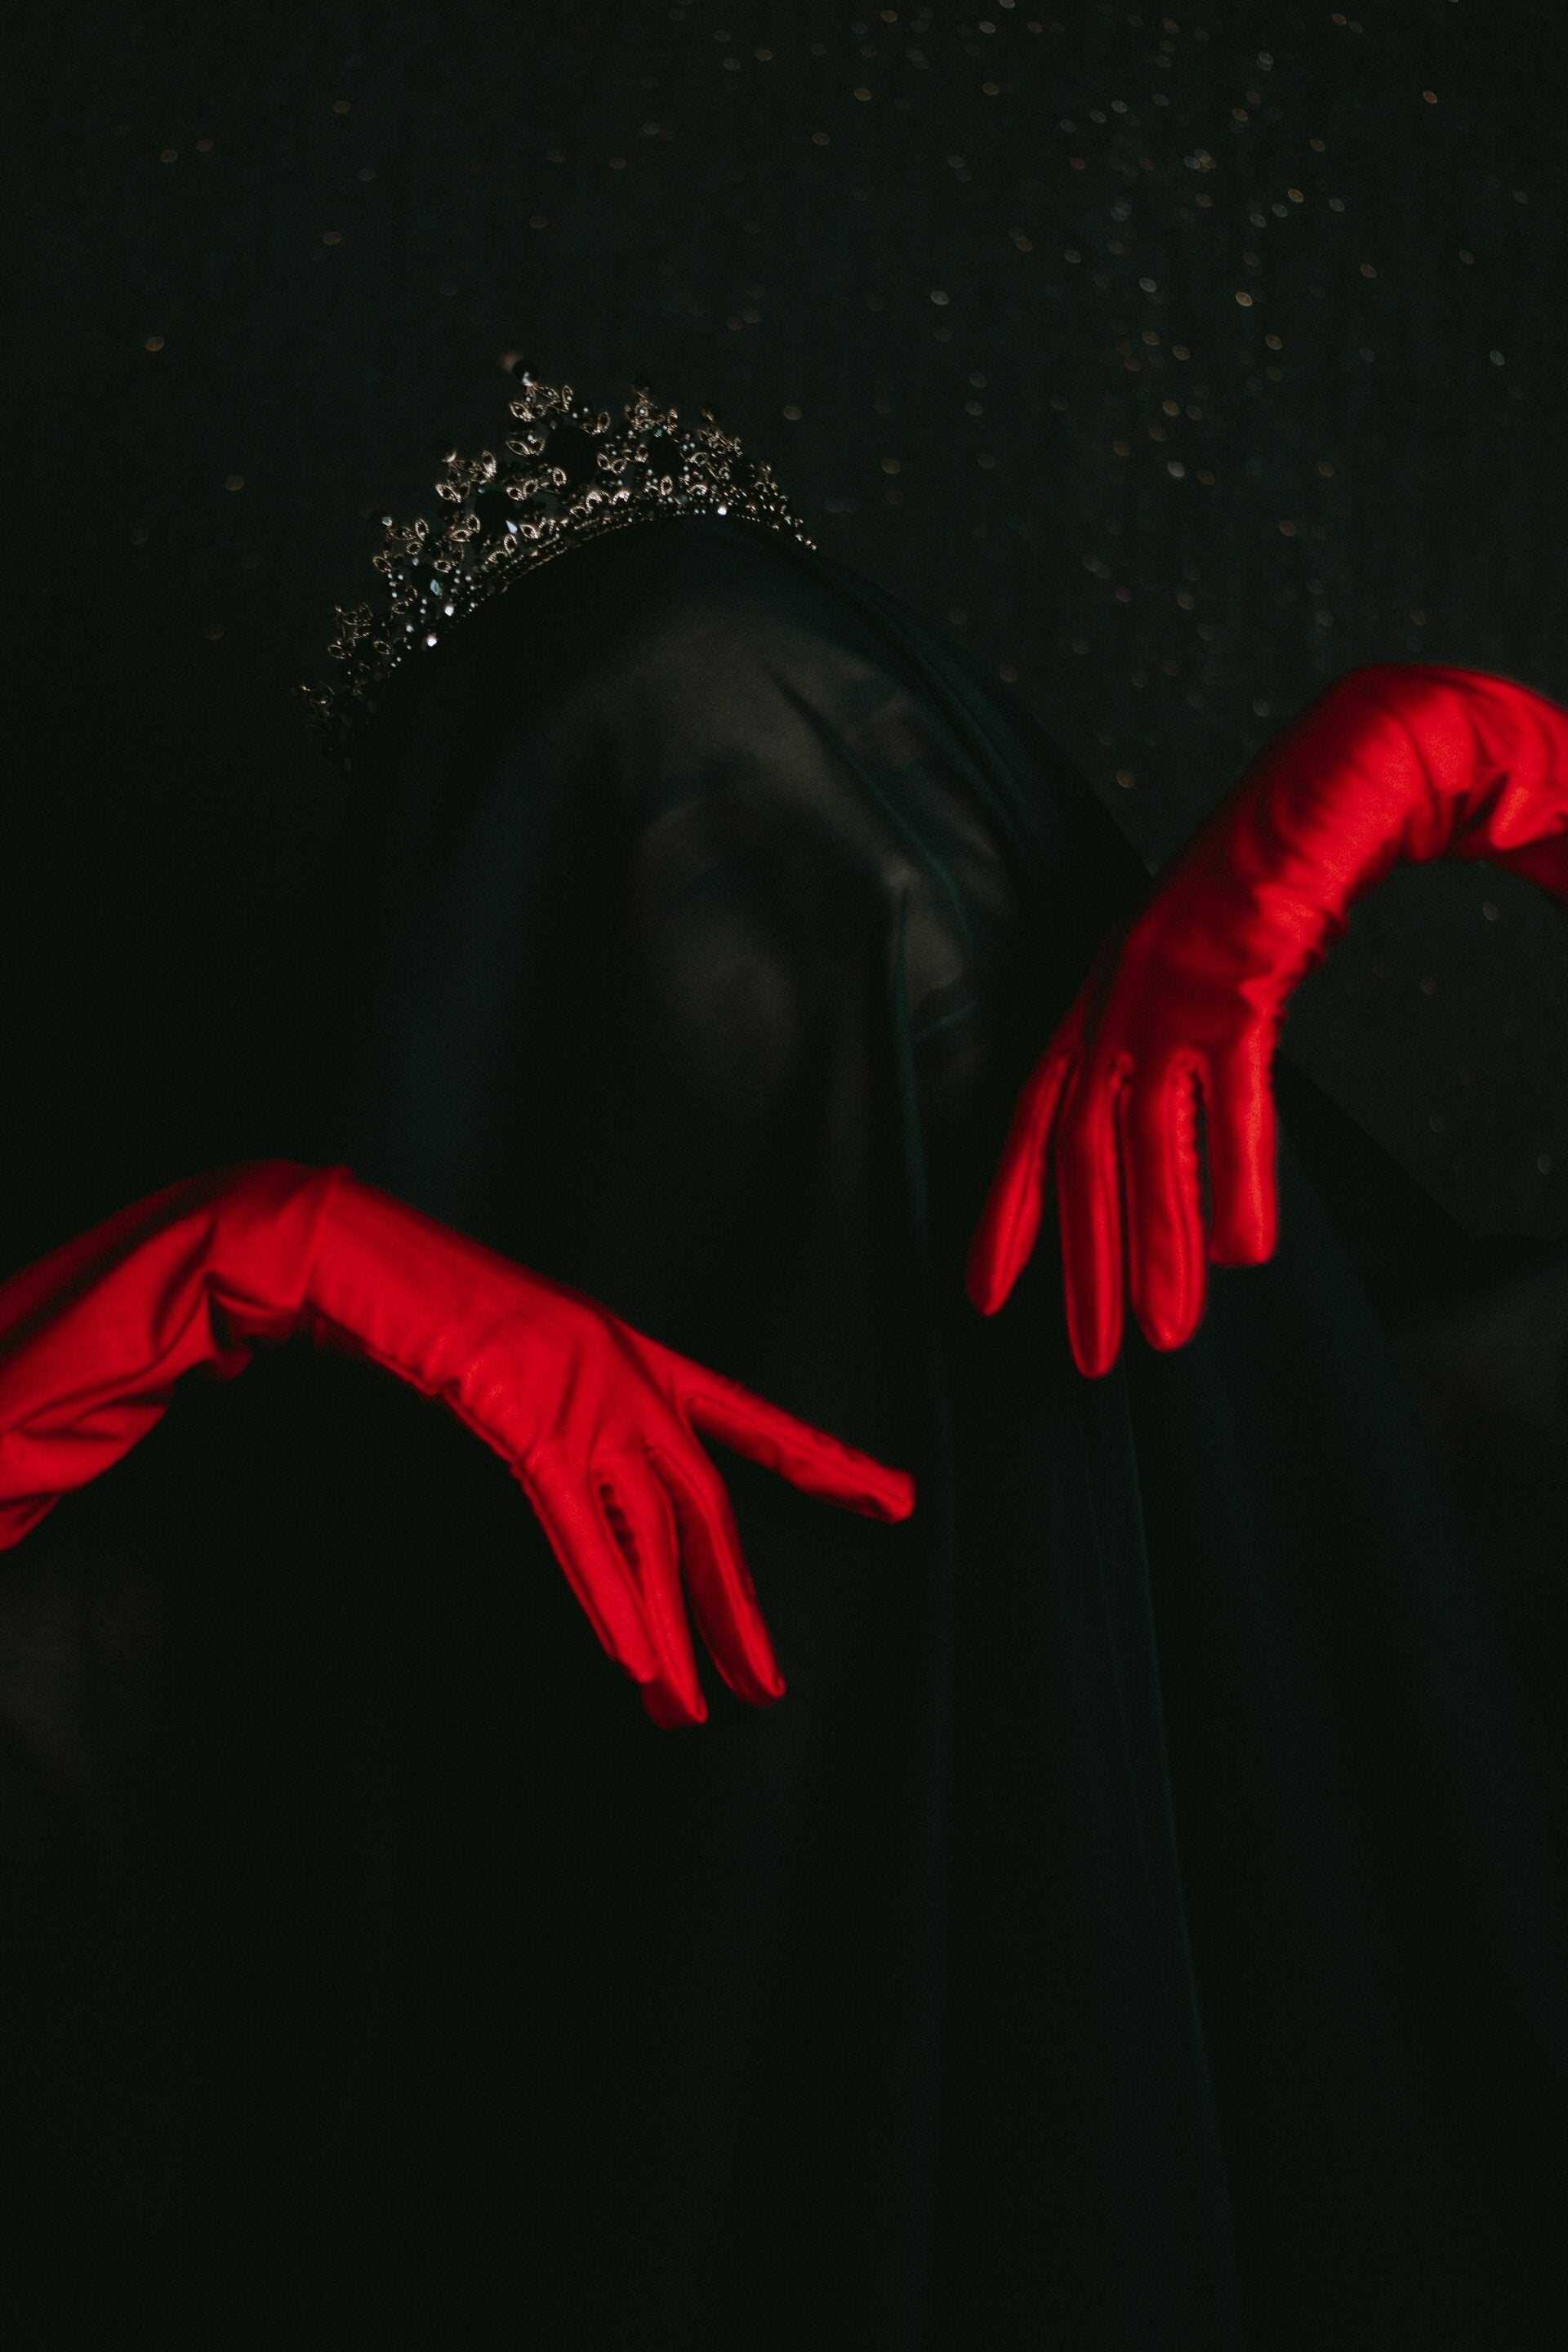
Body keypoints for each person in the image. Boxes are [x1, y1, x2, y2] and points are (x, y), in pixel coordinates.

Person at [2, 375, 1567, 2350]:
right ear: (516, 1029)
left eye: (908, 795)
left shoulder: (1389, 1476)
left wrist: (1470, 757)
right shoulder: (336, 1694)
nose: (878, 912)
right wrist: (241, 1261)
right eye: (695, 882)